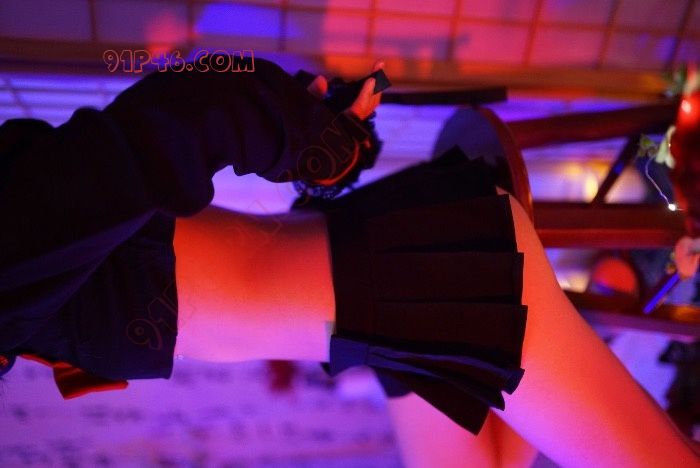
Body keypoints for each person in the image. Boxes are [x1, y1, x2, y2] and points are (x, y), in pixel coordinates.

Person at [0, 56, 697, 468]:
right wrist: (318, 148)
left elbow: (167, 130)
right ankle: (603, 313)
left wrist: (319, 142)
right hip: (401, 316)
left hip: (428, 280)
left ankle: (606, 307)